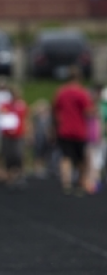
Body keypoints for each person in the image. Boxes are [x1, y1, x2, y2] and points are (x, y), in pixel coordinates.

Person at [53, 66, 93, 197]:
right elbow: (88, 112)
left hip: (64, 129)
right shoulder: (82, 93)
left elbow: (55, 110)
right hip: (79, 130)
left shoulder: (61, 92)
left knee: (66, 157)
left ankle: (66, 183)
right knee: (81, 158)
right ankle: (80, 183)